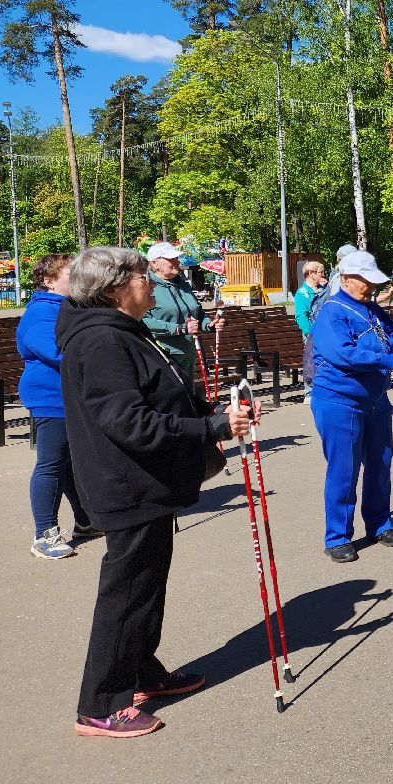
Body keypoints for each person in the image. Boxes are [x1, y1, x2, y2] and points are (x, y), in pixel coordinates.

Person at [58, 245, 251, 738]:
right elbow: (130, 422)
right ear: (115, 287)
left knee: (146, 587)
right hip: (127, 483)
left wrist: (211, 412)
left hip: (147, 481)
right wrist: (209, 429)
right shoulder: (101, 340)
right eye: (143, 274)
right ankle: (101, 705)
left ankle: (142, 672)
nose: (151, 282)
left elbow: (163, 394)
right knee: (127, 594)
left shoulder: (124, 329)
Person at [310, 250, 393, 562]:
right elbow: (343, 354)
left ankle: (379, 523)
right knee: (344, 469)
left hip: (375, 399)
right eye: (366, 280)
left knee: (380, 463)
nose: (372, 286)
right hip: (339, 400)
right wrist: (392, 360)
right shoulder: (331, 311)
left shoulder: (373, 308)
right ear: (346, 279)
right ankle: (337, 536)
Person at [17, 253, 97, 560]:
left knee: (70, 463)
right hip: (51, 398)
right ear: (48, 280)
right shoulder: (42, 312)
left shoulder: (69, 307)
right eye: (70, 274)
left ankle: (85, 521)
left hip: (71, 396)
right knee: (50, 465)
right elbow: (58, 352)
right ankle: (44, 535)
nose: (77, 280)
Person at [142, 241, 220, 385]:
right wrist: (179, 329)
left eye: (176, 258)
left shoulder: (182, 284)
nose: (177, 261)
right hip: (162, 353)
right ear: (154, 263)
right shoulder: (146, 285)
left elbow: (196, 311)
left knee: (188, 393)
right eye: (170, 259)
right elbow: (143, 320)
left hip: (188, 351)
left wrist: (209, 325)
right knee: (170, 393)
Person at [293, 259, 327, 401]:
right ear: (311, 273)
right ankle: (309, 393)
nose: (323, 275)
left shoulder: (323, 290)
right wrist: (310, 333)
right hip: (312, 334)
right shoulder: (302, 293)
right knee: (311, 361)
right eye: (320, 272)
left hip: (325, 332)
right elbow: (301, 316)